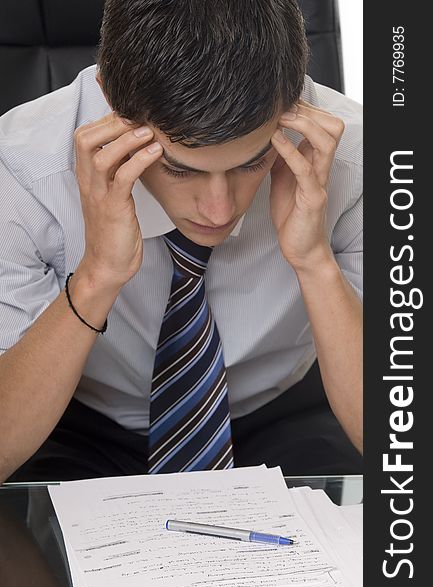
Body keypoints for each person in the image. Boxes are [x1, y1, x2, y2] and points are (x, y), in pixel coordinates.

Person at [0, 0, 363, 483]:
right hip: (76, 416)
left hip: (284, 409)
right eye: (178, 168)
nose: (218, 210)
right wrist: (96, 276)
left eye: (249, 163)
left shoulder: (361, 164)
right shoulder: (22, 171)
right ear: (111, 102)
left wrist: (315, 261)